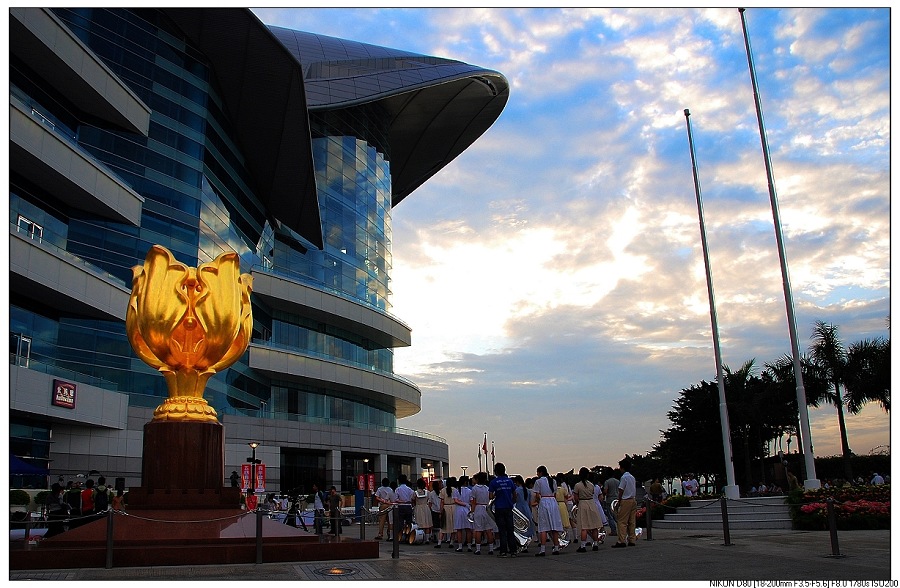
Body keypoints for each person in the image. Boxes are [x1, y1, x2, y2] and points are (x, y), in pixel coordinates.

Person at [532, 465, 563, 556]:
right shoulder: (553, 481)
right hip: (553, 502)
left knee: (543, 527)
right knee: (554, 526)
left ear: (540, 472)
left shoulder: (538, 482)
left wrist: (538, 501)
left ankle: (542, 549)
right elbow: (555, 494)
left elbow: (537, 495)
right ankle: (556, 547)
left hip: (544, 501)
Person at [489, 463, 517, 557]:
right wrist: (511, 502)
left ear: (496, 471)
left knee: (502, 530)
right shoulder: (510, 481)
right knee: (510, 530)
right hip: (509, 507)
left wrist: (496, 495)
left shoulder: (494, 482)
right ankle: (513, 551)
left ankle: (503, 551)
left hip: (499, 508)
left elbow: (490, 496)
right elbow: (515, 495)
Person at [573, 467, 603, 552]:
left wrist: (578, 503)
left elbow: (576, 497)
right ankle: (596, 544)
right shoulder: (591, 485)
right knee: (594, 526)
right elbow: (593, 493)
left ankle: (583, 546)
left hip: (582, 504)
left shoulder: (577, 485)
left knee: (584, 526)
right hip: (591, 503)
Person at [612, 457, 637, 548]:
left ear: (622, 468)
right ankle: (632, 539)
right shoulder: (632, 477)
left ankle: (621, 540)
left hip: (625, 500)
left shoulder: (624, 477)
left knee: (621, 521)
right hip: (633, 500)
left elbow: (621, 490)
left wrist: (619, 501)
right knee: (631, 521)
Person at [469, 471, 494, 555]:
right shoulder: (487, 488)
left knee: (478, 530)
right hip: (487, 508)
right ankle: (491, 549)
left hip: (478, 508)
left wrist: (472, 512)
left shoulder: (475, 488)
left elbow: (473, 502)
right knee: (488, 529)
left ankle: (478, 549)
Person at [513, 474, 534, 552]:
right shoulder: (527, 490)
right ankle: (526, 545)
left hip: (519, 509)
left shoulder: (517, 490)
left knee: (519, 528)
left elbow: (514, 499)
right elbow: (529, 503)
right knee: (526, 528)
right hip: (527, 509)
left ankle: (520, 545)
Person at [453, 476, 473, 551]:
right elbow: (471, 501)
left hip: (458, 510)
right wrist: (466, 505)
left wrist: (462, 503)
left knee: (459, 529)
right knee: (468, 529)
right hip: (467, 510)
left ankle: (460, 546)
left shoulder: (456, 490)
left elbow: (455, 500)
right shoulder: (469, 491)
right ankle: (469, 546)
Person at [394, 474, 415, 540]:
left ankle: (399, 537)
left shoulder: (398, 489)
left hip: (400, 507)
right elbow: (413, 498)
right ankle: (408, 537)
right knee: (409, 523)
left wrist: (402, 501)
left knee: (400, 522)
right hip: (408, 507)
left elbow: (396, 499)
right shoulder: (409, 489)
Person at [438, 477, 457, 549]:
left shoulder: (443, 490)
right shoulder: (455, 490)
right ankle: (451, 542)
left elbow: (441, 502)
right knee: (453, 527)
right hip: (453, 508)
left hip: (445, 508)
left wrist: (440, 511)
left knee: (443, 526)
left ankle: (439, 542)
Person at [555, 473, 573, 543]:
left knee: (559, 521)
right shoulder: (563, 489)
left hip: (557, 504)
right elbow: (567, 497)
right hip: (563, 504)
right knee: (565, 520)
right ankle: (567, 537)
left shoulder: (554, 490)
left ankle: (561, 537)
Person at [413, 478, 432, 543]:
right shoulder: (428, 492)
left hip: (418, 508)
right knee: (427, 523)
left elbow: (412, 500)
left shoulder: (415, 493)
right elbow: (430, 501)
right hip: (426, 508)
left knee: (419, 523)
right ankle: (427, 539)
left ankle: (421, 538)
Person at [428, 479, 443, 544]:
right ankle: (443, 538)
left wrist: (430, 509)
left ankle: (435, 537)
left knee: (434, 525)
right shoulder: (442, 492)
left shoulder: (431, 494)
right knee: (442, 525)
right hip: (441, 510)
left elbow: (430, 503)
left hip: (434, 510)